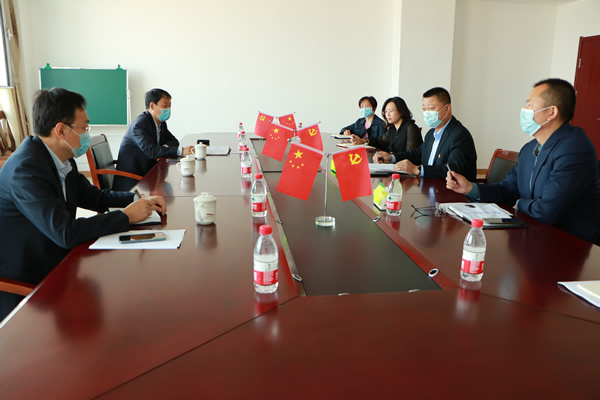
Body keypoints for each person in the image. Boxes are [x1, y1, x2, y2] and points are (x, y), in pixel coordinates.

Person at [0, 88, 167, 320]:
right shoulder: (26, 170)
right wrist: (126, 216)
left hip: (57, 257)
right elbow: (65, 233)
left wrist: (136, 199)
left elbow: (96, 197)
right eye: (84, 128)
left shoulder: (61, 158)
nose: (87, 134)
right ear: (61, 130)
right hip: (27, 278)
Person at [446, 78, 600, 245]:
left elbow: (547, 210)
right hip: (533, 236)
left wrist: (519, 204)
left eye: (530, 104)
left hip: (568, 245)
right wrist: (470, 188)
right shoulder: (529, 148)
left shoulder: (575, 148)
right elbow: (510, 188)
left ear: (551, 112)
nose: (524, 110)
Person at [374, 87, 477, 181]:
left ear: (447, 109)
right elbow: (417, 154)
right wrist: (392, 158)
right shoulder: (431, 133)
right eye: (424, 109)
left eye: (431, 108)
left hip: (449, 191)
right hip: (428, 187)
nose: (427, 113)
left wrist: (417, 169)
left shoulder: (460, 135)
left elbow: (453, 170)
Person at [113, 88, 193, 191]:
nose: (168, 109)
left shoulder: (160, 123)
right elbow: (152, 152)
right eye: (165, 106)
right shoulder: (140, 124)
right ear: (152, 106)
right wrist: (181, 151)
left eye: (170, 106)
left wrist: (162, 149)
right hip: (133, 181)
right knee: (172, 192)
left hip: (148, 174)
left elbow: (174, 141)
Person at [350, 96, 423, 154]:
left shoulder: (411, 128)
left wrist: (391, 157)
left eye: (391, 111)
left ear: (401, 112)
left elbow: (411, 155)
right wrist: (363, 141)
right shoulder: (392, 129)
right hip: (394, 165)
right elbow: (380, 141)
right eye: (386, 111)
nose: (387, 114)